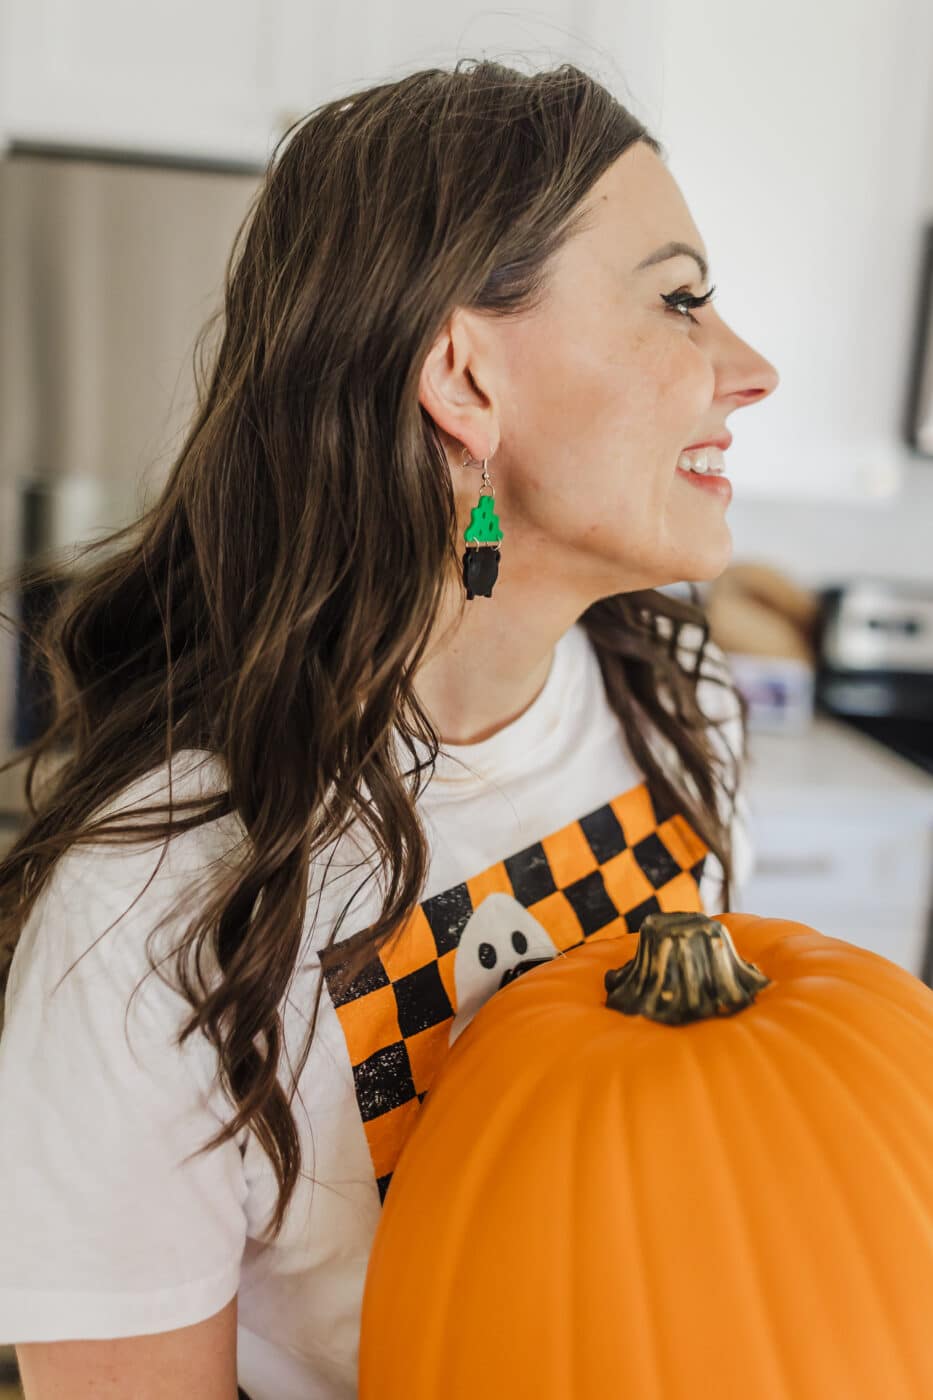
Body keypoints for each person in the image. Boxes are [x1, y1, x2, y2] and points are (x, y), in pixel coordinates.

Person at [0, 58, 778, 1400]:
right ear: (464, 378)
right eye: (678, 301)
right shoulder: (150, 910)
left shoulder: (676, 709)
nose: (747, 369)